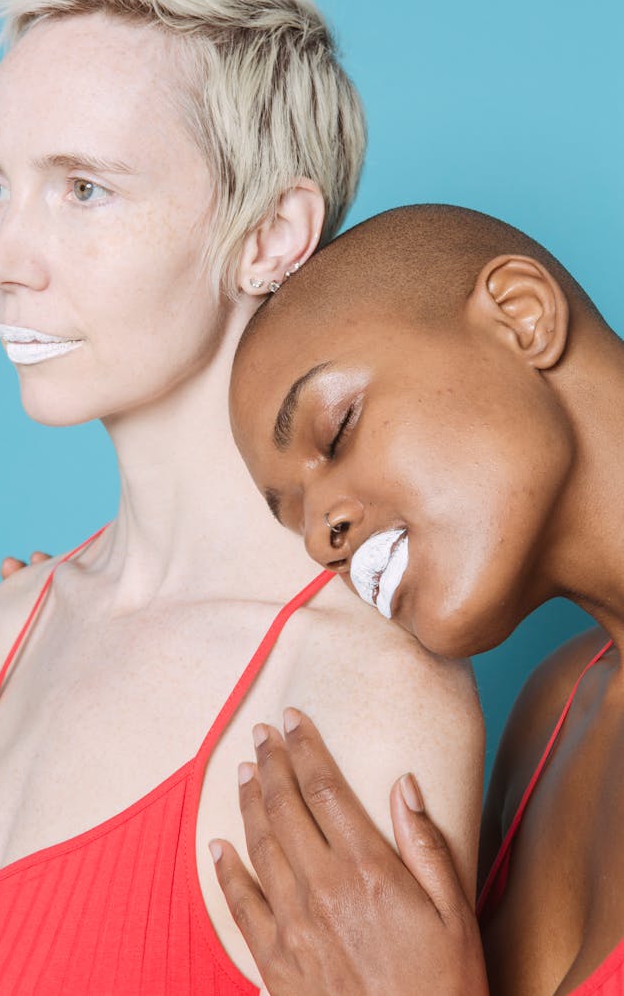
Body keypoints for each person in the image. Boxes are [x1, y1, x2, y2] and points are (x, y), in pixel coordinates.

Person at [0, 0, 482, 995]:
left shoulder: (366, 689)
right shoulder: (2, 633)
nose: (0, 256)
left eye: (84, 189)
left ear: (270, 236)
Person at [217, 201, 624, 995]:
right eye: (294, 516)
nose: (321, 537)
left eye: (336, 432)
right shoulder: (556, 713)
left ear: (521, 315)